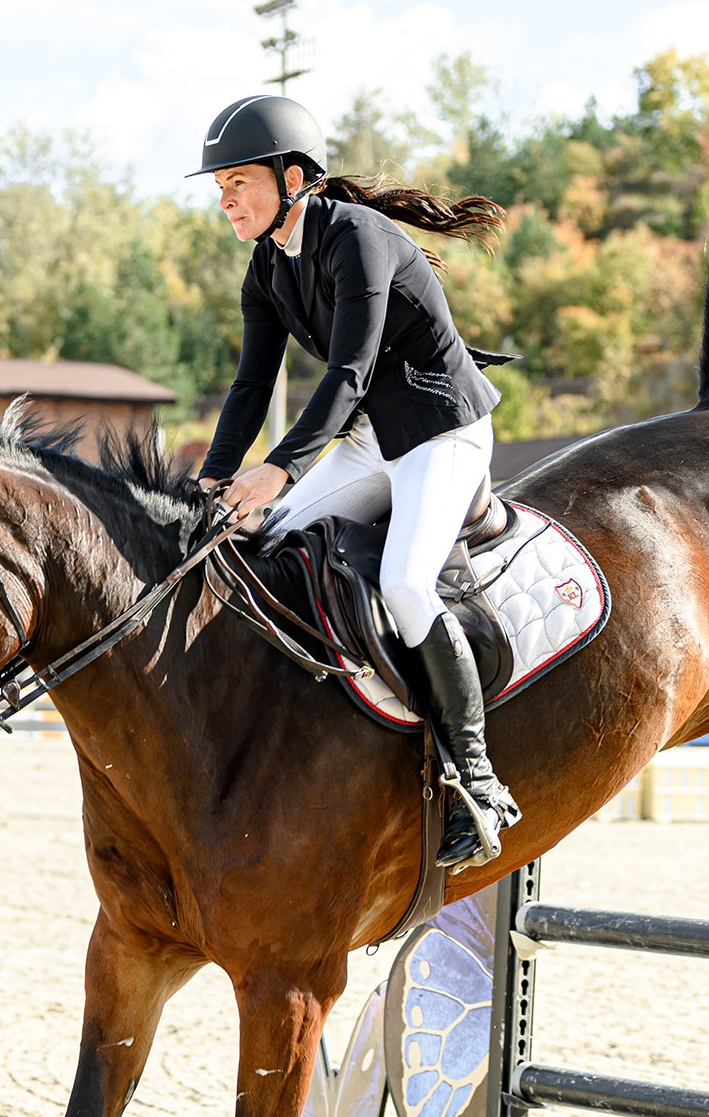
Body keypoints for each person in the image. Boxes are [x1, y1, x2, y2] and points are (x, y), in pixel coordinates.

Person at [191, 93, 517, 870]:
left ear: (294, 176)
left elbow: (348, 372)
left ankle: (480, 782)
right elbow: (247, 389)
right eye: (220, 188)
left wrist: (280, 467)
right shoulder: (268, 264)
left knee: (406, 582)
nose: (226, 200)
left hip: (444, 431)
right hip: (375, 439)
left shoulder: (360, 241)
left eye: (239, 182)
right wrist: (210, 483)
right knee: (266, 541)